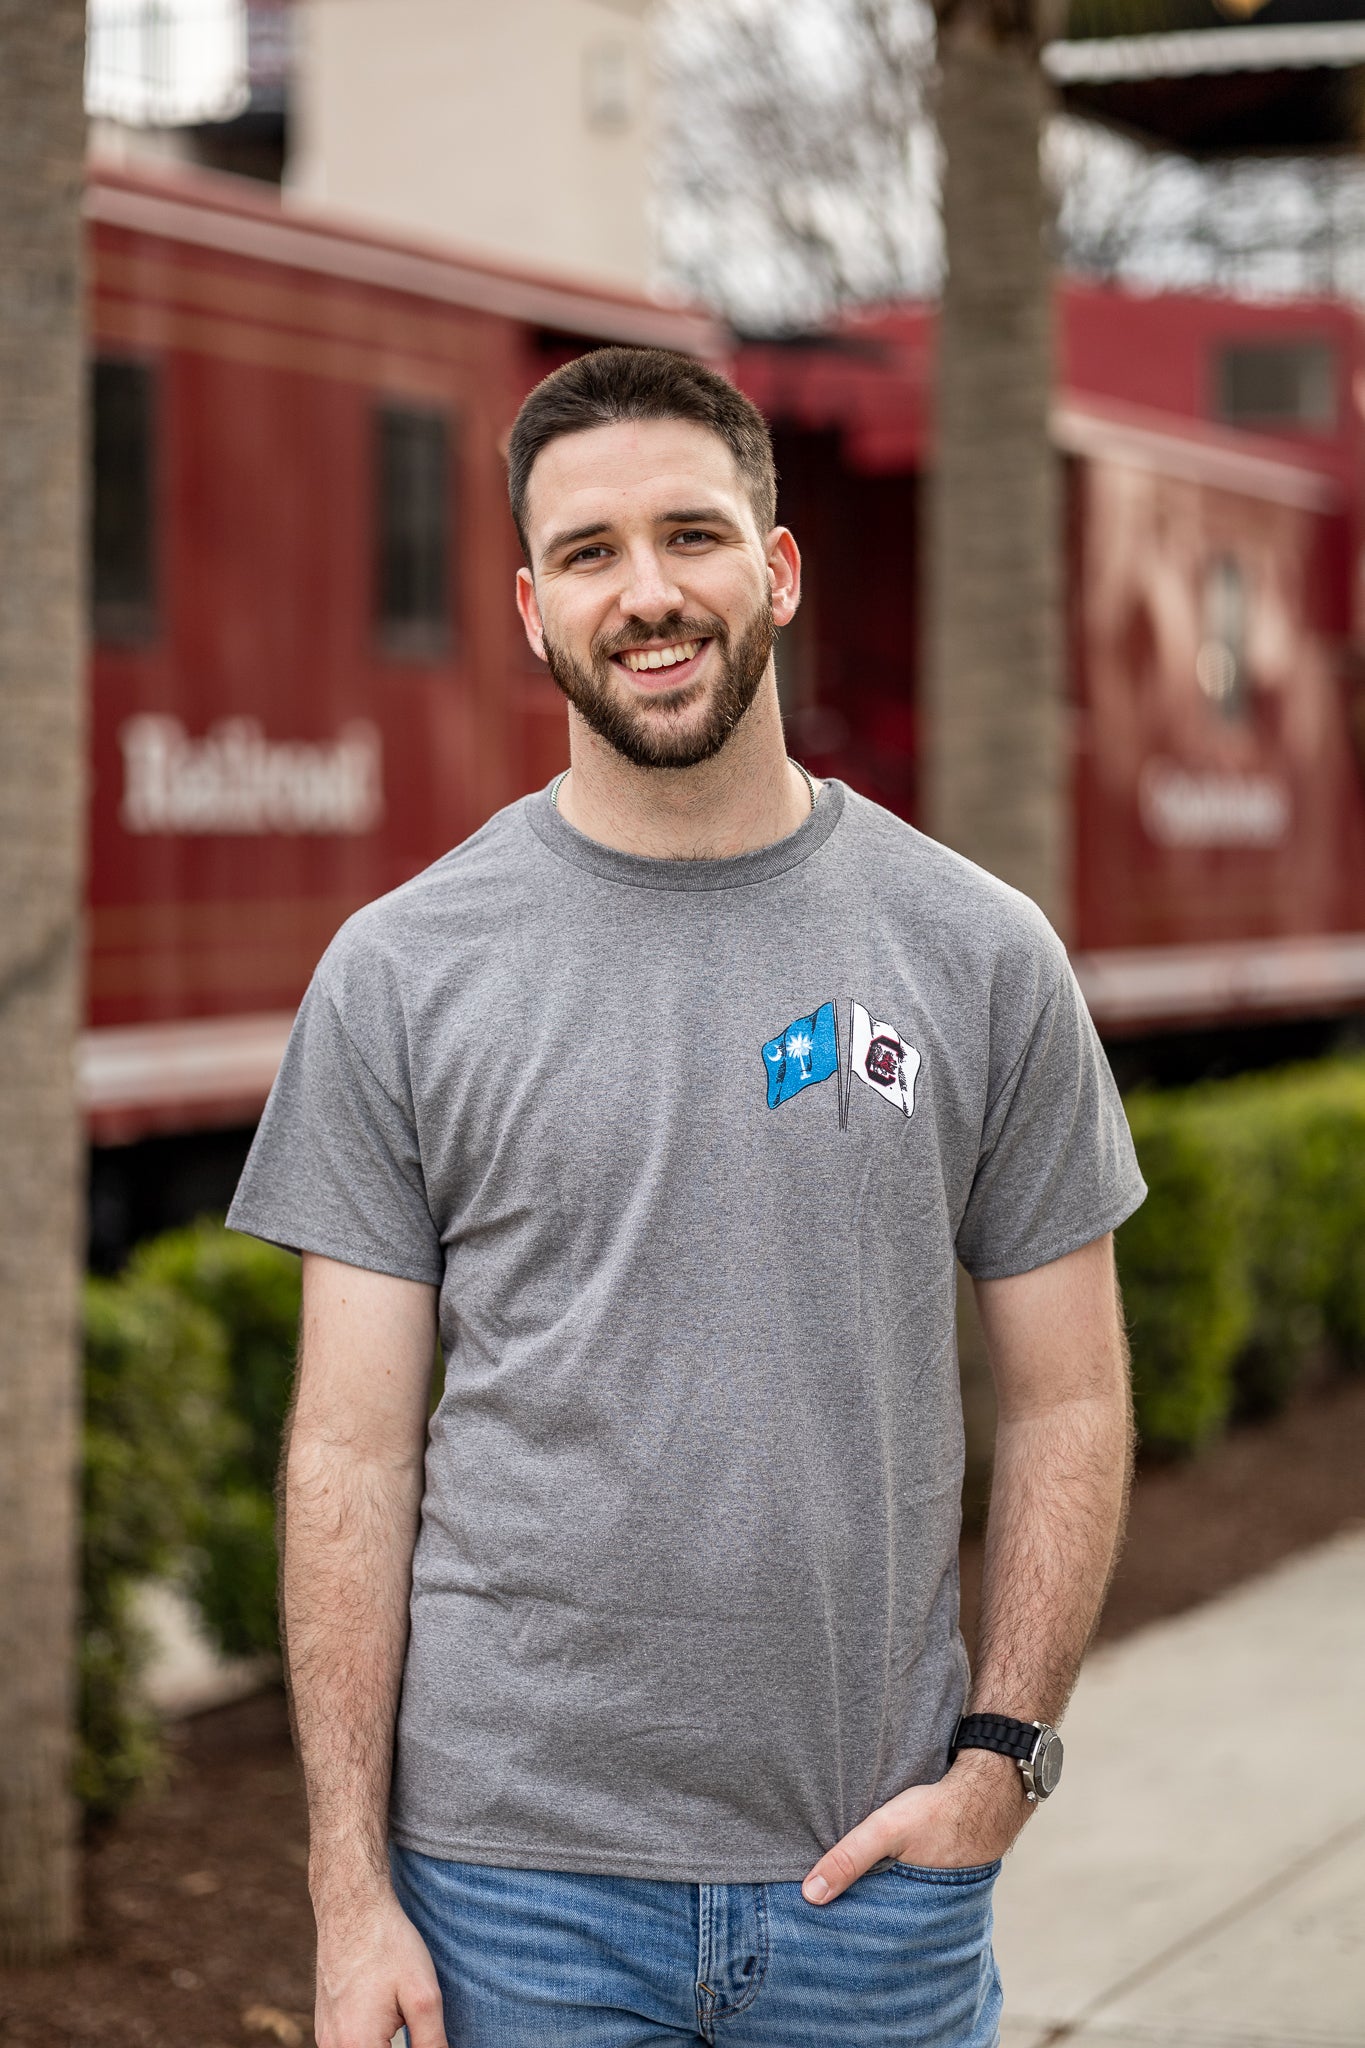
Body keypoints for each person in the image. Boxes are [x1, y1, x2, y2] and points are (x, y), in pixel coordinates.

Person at [228, 346, 1146, 2048]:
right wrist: (348, 1895)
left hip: (870, 1884)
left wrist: (1002, 1767)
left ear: (775, 570)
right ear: (528, 607)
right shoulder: (402, 973)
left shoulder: (976, 953)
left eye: (690, 536)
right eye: (587, 554)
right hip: (510, 1896)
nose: (645, 595)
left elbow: (1073, 1397)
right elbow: (348, 1451)